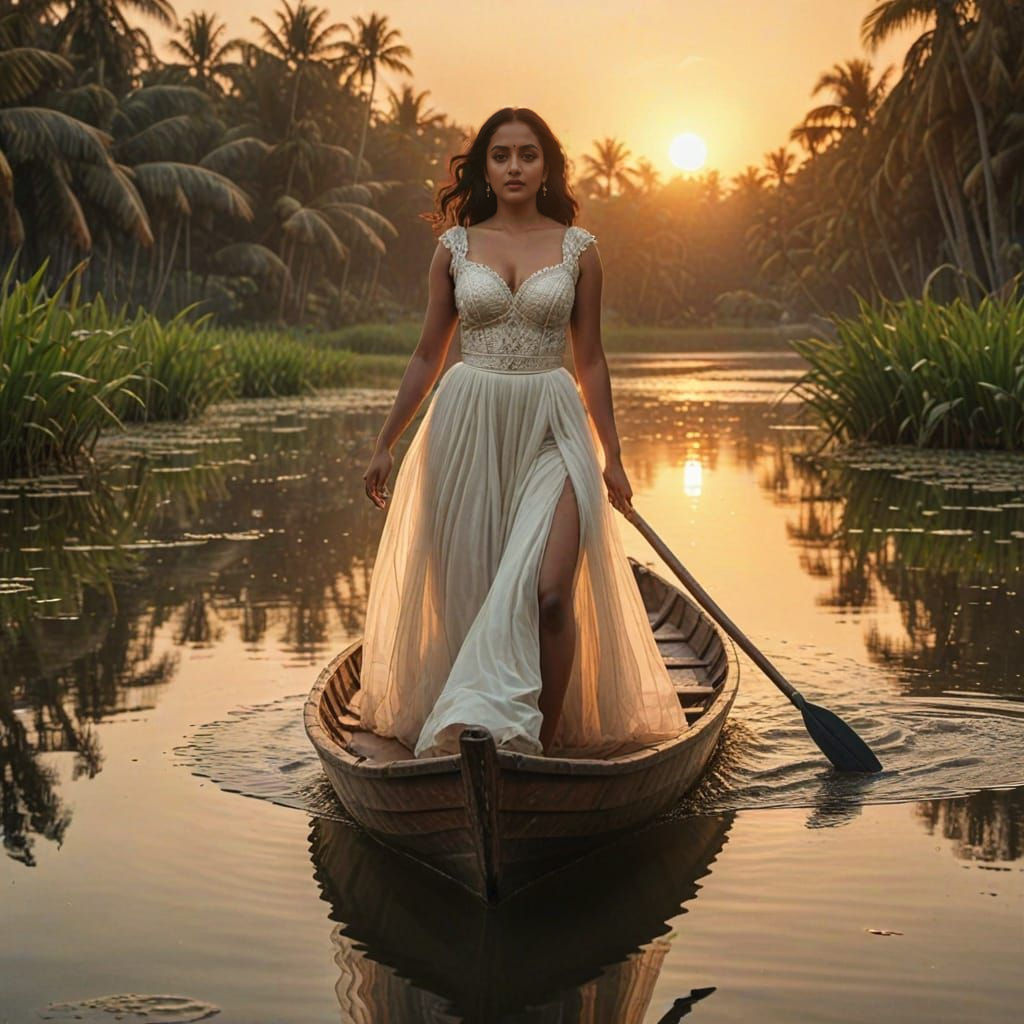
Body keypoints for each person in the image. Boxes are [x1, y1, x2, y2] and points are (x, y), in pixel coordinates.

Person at [359, 107, 686, 759]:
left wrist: (614, 456)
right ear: (484, 165)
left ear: (547, 166)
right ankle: (474, 724)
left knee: (552, 590)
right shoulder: (454, 248)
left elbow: (589, 357)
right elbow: (428, 354)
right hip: (467, 424)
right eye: (501, 155)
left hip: (551, 427)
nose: (514, 167)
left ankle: (541, 738)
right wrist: (385, 442)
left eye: (527, 154)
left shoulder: (578, 250)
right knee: (472, 588)